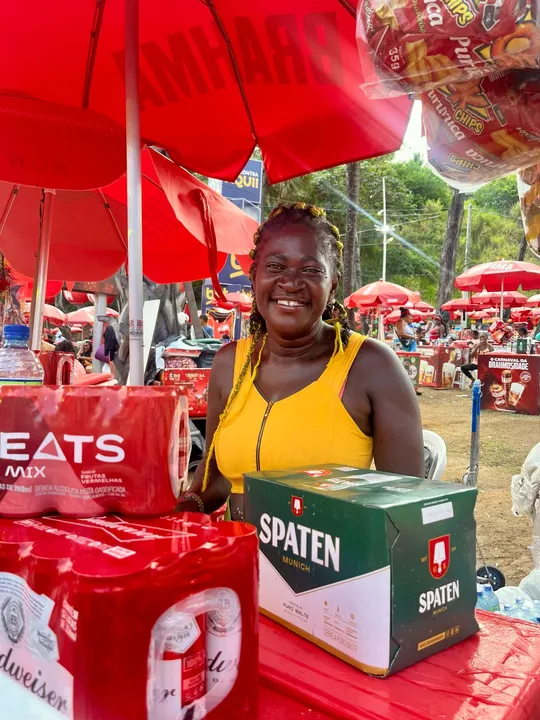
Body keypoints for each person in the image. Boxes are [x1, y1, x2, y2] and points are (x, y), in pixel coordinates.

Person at [181, 203, 424, 519]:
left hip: (332, 564)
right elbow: (212, 483)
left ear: (332, 285)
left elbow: (406, 505)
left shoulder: (372, 367)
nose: (291, 282)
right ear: (254, 278)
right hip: (237, 560)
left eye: (310, 270)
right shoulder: (230, 364)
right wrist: (176, 509)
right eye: (276, 267)